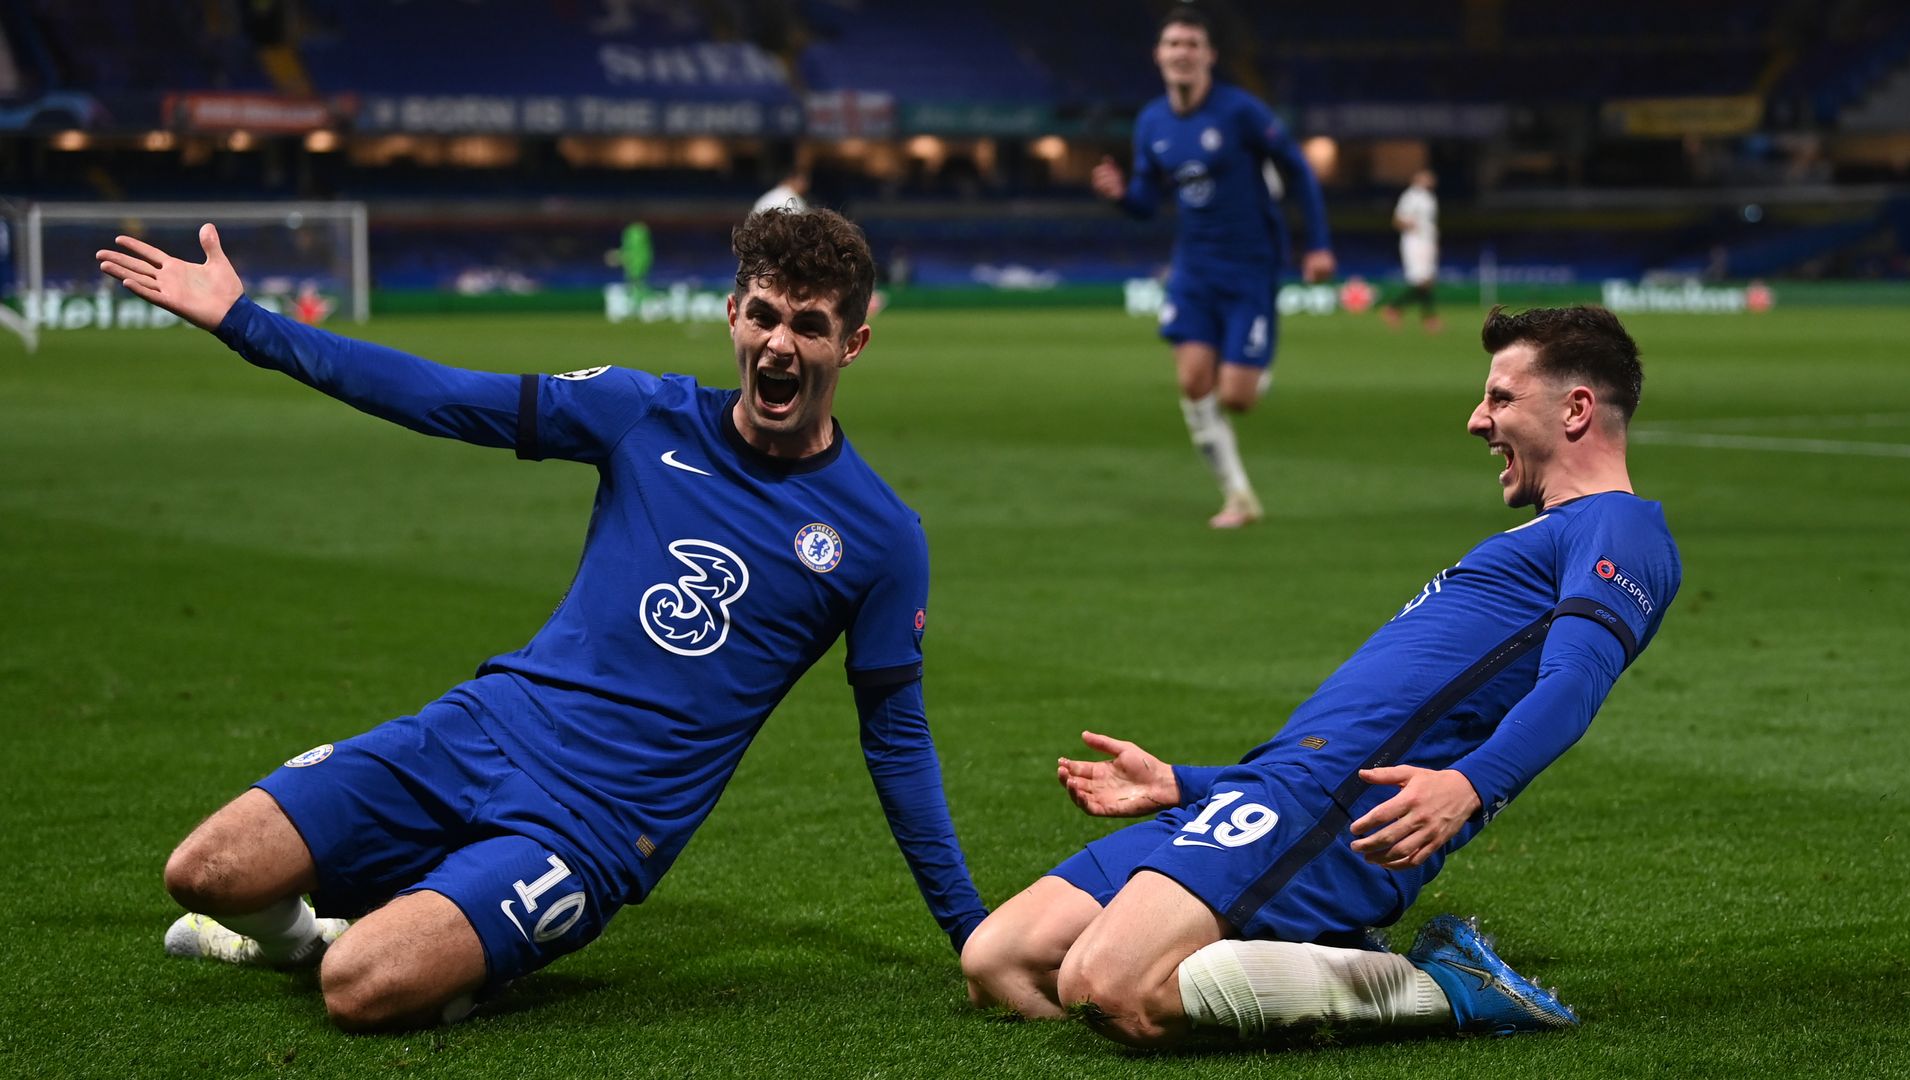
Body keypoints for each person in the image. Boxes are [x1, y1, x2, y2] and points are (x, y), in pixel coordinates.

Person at [95, 208, 987, 1031]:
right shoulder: (641, 413)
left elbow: (896, 742)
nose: (779, 345)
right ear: (732, 316)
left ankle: (425, 943)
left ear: (854, 342)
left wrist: (970, 933)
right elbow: (437, 394)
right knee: (204, 871)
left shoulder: (878, 538)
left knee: (360, 988)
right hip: (482, 729)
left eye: (810, 326)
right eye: (763, 316)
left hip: (595, 825)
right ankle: (298, 936)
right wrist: (246, 324)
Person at [961, 305, 1681, 1048]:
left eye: (1501, 397)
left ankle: (1444, 988)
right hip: (1271, 790)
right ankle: (1302, 958)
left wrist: (1469, 788)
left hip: (1327, 812)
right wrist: (1187, 782)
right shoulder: (1534, 536)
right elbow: (1369, 721)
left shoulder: (1620, 529)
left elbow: (1572, 686)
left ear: (1576, 408)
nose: (1477, 419)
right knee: (999, 961)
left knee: (1108, 985)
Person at [1092, 7, 1335, 529]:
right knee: (1193, 381)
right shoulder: (1152, 121)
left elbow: (1297, 170)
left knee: (1237, 398)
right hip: (1194, 267)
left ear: (1208, 56)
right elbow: (1145, 200)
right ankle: (1238, 496)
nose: (1182, 52)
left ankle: (1252, 359)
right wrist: (1119, 195)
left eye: (1192, 44)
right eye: (1173, 43)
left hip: (1250, 265)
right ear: (1159, 55)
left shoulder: (1240, 111)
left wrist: (1316, 244)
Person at [1381, 169, 1440, 332]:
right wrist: (1412, 226)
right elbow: (1397, 220)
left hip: (1427, 242)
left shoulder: (1430, 198)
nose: (1431, 179)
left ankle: (1397, 309)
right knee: (1420, 280)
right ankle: (1422, 315)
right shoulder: (1410, 196)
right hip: (1414, 242)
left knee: (1426, 281)